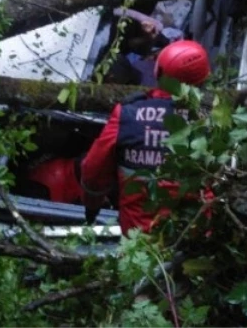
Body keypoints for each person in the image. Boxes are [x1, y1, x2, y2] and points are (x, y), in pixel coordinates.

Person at [80, 40, 211, 235]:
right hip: (193, 239)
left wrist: (91, 210)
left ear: (158, 72)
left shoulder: (127, 114)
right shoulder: (211, 125)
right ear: (201, 82)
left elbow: (93, 170)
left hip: (139, 239)